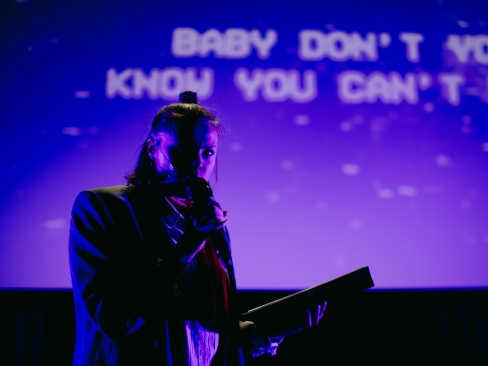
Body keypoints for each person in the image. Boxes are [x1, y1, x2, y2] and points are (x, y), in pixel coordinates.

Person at [69, 91, 325, 366]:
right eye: (183, 150)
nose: (197, 163)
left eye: (208, 152)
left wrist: (273, 329)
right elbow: (114, 316)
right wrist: (189, 243)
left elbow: (205, 327)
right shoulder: (103, 207)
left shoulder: (209, 220)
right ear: (153, 148)